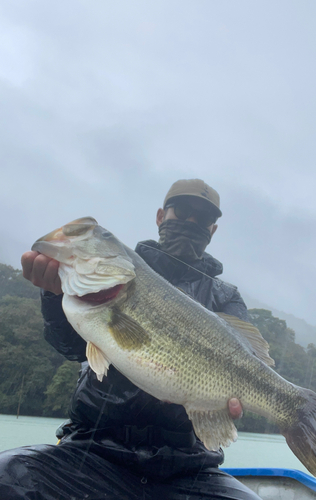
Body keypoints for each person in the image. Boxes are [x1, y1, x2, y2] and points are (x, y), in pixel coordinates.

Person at [0, 179, 262, 500]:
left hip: (189, 466)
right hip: (93, 452)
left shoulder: (226, 297)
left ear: (213, 230)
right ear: (159, 216)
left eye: (203, 218)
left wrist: (232, 403)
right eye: (182, 210)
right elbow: (69, 347)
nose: (191, 222)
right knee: (8, 476)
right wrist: (55, 295)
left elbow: (251, 367)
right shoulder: (114, 268)